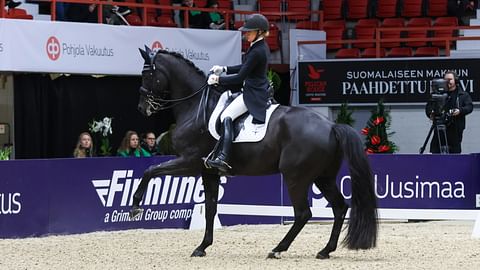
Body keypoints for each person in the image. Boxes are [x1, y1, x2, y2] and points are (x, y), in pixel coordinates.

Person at [204, 14, 271, 172]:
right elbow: (245, 66)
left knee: (226, 116)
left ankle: (223, 158)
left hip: (253, 92)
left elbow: (241, 76)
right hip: (256, 88)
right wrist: (224, 69)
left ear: (260, 32)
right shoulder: (258, 46)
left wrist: (218, 80)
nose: (246, 33)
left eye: (249, 31)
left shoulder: (257, 50)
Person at [425, 70, 473, 153]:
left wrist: (460, 111)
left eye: (450, 79)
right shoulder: (437, 94)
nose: (447, 82)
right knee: (435, 152)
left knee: (454, 155)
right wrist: (431, 114)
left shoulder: (463, 95)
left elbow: (469, 107)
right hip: (439, 128)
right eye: (445, 80)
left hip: (455, 129)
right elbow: (428, 107)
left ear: (456, 80)